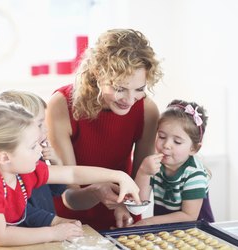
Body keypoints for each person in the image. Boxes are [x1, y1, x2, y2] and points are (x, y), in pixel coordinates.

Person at [0, 101, 140, 246]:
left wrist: (118, 176)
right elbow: (1, 236)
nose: (40, 150)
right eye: (32, 146)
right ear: (4, 157)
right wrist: (54, 232)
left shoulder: (23, 170)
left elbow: (72, 175)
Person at [46, 28, 163, 230]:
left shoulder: (147, 110)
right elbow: (69, 196)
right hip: (71, 224)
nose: (129, 100)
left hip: (122, 222)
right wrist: (97, 191)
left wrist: (128, 206)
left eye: (139, 89)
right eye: (120, 89)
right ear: (98, 75)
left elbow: (140, 182)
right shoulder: (62, 105)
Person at [132, 99, 214, 226]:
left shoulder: (194, 174)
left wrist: (150, 222)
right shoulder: (155, 165)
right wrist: (143, 172)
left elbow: (189, 215)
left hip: (197, 232)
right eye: (162, 137)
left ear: (194, 148)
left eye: (177, 142)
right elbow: (140, 201)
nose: (166, 145)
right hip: (166, 232)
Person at [0, 90, 68, 228]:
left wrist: (56, 163)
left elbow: (57, 190)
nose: (46, 129)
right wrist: (54, 221)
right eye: (40, 124)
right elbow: (19, 212)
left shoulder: (34, 157)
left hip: (44, 234)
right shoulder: (10, 166)